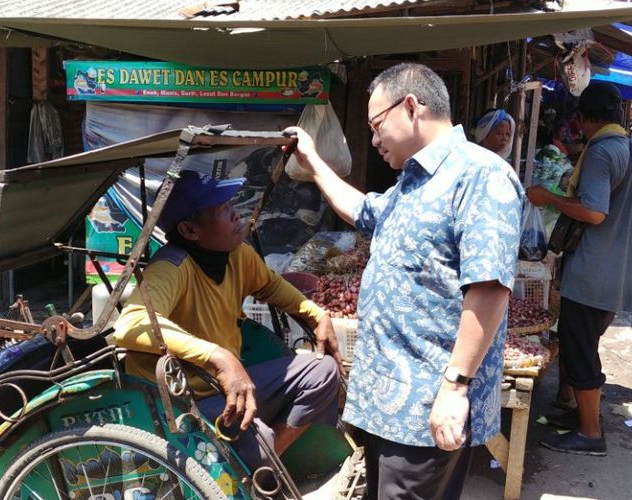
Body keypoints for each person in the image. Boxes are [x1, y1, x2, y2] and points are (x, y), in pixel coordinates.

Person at [285, 62, 523, 499]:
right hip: (392, 403)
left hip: (425, 404)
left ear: (410, 107)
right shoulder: (413, 181)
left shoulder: (479, 175)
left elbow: (489, 289)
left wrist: (454, 387)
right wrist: (313, 161)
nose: (374, 139)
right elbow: (363, 211)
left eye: (377, 125)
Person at [112, 170, 342, 470]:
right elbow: (130, 325)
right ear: (190, 230)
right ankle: (260, 461)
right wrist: (218, 357)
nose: (235, 215)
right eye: (222, 210)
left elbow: (270, 285)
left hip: (230, 386)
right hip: (185, 399)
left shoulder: (237, 254)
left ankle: (267, 466)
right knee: (260, 445)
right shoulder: (170, 268)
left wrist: (316, 314)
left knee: (323, 371)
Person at [527, 81, 632, 456]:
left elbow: (593, 211)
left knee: (580, 349)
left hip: (592, 271)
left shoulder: (602, 152)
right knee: (582, 346)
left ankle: (590, 434)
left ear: (585, 119)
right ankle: (581, 418)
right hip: (614, 268)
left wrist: (547, 197)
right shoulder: (624, 146)